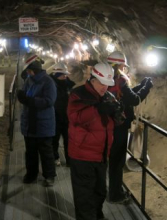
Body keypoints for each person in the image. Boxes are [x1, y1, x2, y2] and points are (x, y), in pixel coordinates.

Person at [67, 62, 124, 220]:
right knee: (84, 197)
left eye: (108, 84)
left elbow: (115, 121)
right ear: (93, 79)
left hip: (101, 154)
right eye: (102, 83)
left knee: (100, 193)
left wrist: (118, 115)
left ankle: (97, 216)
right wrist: (97, 109)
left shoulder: (107, 96)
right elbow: (75, 117)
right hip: (82, 155)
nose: (105, 87)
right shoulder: (78, 94)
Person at [107, 51, 153, 204]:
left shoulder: (107, 79)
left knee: (113, 160)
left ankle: (115, 190)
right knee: (117, 161)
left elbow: (128, 95)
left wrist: (141, 85)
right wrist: (147, 87)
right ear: (118, 65)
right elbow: (134, 99)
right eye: (122, 65)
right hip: (118, 126)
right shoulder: (120, 81)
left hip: (109, 124)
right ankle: (115, 194)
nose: (123, 68)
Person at [17, 53, 57, 187]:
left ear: (34, 69)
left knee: (46, 151)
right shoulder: (29, 80)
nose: (28, 73)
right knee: (30, 151)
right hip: (30, 122)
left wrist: (30, 100)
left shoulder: (48, 82)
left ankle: (49, 175)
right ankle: (31, 174)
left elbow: (49, 101)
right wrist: (22, 97)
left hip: (43, 123)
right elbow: (26, 94)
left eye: (29, 70)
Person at [50, 62, 75, 166]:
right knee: (54, 140)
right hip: (55, 117)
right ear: (57, 75)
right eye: (63, 75)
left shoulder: (68, 85)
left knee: (68, 140)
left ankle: (69, 160)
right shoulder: (51, 85)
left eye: (66, 74)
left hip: (67, 117)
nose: (65, 76)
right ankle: (55, 157)